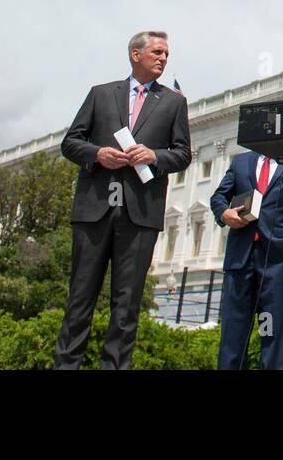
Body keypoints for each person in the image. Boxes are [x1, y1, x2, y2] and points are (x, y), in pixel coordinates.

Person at [53, 31, 193, 369]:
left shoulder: (174, 102)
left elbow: (183, 154)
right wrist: (98, 153)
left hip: (140, 214)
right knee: (80, 299)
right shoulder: (101, 95)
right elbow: (70, 142)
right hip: (94, 209)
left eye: (166, 54)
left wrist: (155, 156)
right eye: (157, 52)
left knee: (126, 306)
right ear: (135, 54)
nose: (163, 58)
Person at [211, 149, 283, 369]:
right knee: (232, 334)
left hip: (277, 259)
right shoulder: (241, 162)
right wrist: (223, 213)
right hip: (240, 257)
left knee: (273, 333)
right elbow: (219, 197)